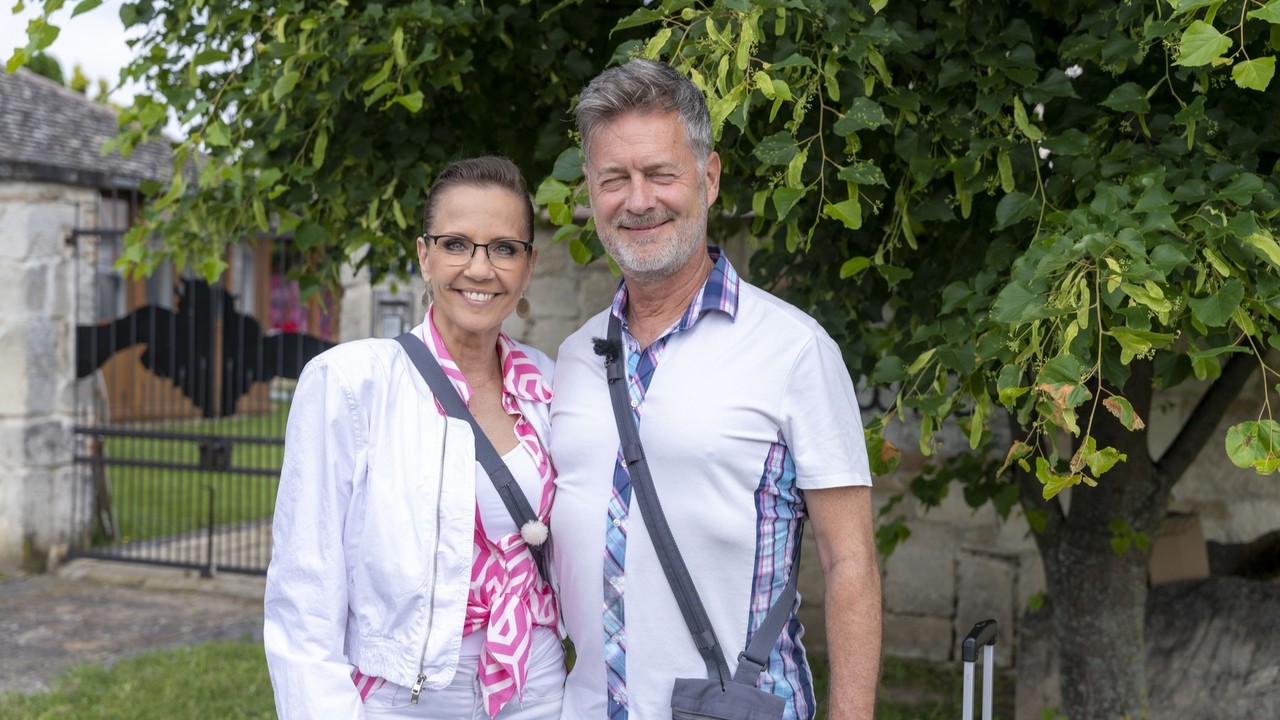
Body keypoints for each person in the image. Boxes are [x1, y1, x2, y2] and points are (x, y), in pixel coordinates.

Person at [549, 59, 881, 719]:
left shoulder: (793, 350)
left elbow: (851, 562)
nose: (638, 201)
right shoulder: (575, 358)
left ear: (709, 176)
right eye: (614, 179)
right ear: (589, 188)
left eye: (660, 174)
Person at [264, 156, 565, 720]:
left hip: (538, 686)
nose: (480, 268)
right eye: (456, 244)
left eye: (504, 248)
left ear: (528, 266)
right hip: (408, 697)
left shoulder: (551, 386)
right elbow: (304, 593)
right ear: (424, 255)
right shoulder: (352, 384)